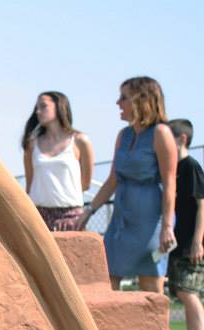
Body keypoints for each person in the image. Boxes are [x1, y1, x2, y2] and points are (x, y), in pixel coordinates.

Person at [79, 77, 178, 294]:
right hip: (122, 221)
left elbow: (170, 183)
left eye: (123, 97)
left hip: (152, 222)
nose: (118, 103)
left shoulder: (161, 133)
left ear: (141, 100)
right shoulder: (123, 135)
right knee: (107, 280)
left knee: (150, 286)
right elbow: (112, 179)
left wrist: (167, 227)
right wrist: (89, 210)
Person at [22, 91, 95, 230]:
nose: (38, 111)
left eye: (43, 106)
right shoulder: (31, 145)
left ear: (59, 107)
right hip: (38, 216)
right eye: (37, 107)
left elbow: (86, 183)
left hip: (71, 216)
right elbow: (30, 185)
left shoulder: (80, 140)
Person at [166, 119, 204, 330]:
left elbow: (202, 205)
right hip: (178, 242)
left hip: (192, 243)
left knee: (188, 291)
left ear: (181, 139)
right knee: (182, 290)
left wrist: (197, 241)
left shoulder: (191, 166)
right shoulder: (174, 168)